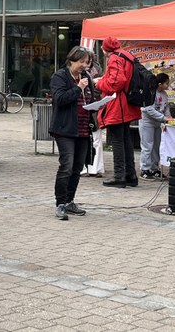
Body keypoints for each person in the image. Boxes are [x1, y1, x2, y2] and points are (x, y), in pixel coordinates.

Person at [49, 46, 95, 219]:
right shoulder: (60, 76)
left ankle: (70, 201)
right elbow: (59, 99)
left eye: (87, 62)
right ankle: (60, 203)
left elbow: (91, 98)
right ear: (71, 60)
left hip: (83, 128)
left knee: (77, 168)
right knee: (66, 166)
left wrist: (98, 105)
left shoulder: (86, 77)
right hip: (65, 128)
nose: (85, 65)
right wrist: (77, 88)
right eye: (82, 62)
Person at [94, 37, 141, 188]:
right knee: (125, 139)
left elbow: (116, 83)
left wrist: (99, 83)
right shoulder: (127, 55)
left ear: (106, 48)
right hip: (128, 103)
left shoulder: (115, 58)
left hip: (117, 104)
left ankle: (119, 176)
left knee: (117, 140)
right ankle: (130, 175)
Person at [139, 73, 170, 180]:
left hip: (158, 122)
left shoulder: (165, 95)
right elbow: (148, 109)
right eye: (166, 83)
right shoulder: (151, 93)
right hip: (147, 121)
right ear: (160, 84)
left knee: (157, 146)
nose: (168, 85)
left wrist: (169, 118)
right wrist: (164, 118)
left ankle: (154, 167)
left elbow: (166, 108)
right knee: (147, 146)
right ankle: (145, 169)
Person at [81, 51, 105, 178]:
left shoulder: (97, 69)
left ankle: (96, 167)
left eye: (89, 61)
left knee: (96, 138)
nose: (86, 64)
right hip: (83, 107)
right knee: (84, 138)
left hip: (94, 106)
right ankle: (84, 167)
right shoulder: (76, 71)